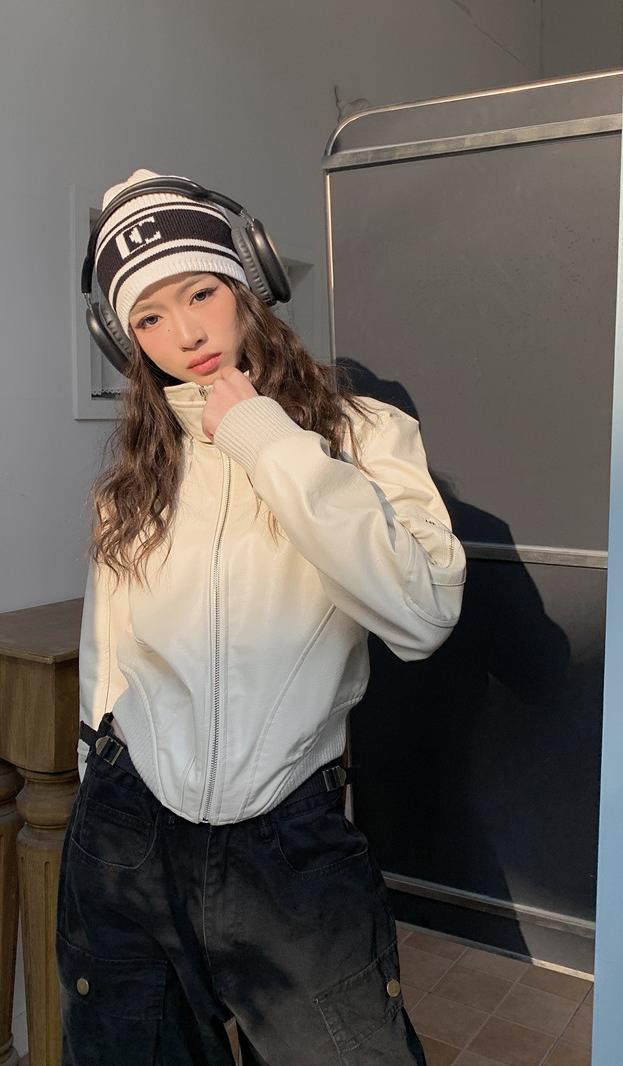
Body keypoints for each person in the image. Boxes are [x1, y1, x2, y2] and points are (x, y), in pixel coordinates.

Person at [56, 169, 466, 1066]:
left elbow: (424, 612)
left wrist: (269, 441)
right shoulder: (133, 483)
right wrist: (94, 773)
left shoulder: (365, 435)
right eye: (149, 317)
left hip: (290, 848)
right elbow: (108, 652)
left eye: (200, 293)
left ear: (250, 282)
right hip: (128, 834)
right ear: (123, 337)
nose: (186, 333)